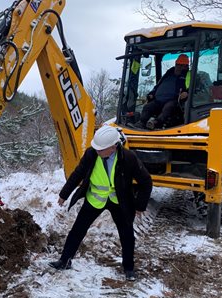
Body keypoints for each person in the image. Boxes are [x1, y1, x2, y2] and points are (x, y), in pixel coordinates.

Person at [48, 126, 152, 281]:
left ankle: (129, 268)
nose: (97, 151)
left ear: (113, 147)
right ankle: (64, 260)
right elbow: (78, 173)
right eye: (96, 148)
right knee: (77, 230)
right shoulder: (91, 154)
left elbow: (146, 181)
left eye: (101, 149)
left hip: (119, 201)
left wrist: (139, 206)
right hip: (95, 199)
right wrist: (64, 194)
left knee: (127, 235)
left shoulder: (128, 158)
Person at [138, 54, 190, 130]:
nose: (180, 67)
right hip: (159, 100)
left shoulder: (187, 76)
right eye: (178, 65)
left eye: (183, 66)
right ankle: (141, 123)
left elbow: (192, 88)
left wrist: (186, 93)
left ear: (186, 67)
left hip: (174, 100)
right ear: (175, 64)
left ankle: (156, 123)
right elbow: (158, 85)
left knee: (168, 107)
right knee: (148, 107)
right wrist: (152, 94)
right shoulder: (169, 74)